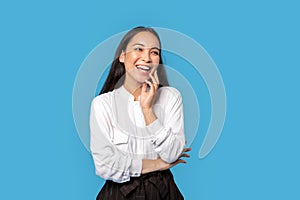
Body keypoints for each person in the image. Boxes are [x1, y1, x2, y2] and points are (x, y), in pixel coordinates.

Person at [90, 26, 191, 200]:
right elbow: (104, 165)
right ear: (122, 56)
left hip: (163, 192)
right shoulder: (103, 104)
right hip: (118, 194)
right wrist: (158, 164)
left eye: (154, 52)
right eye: (138, 49)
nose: (147, 58)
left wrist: (147, 109)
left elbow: (173, 154)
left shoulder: (171, 97)